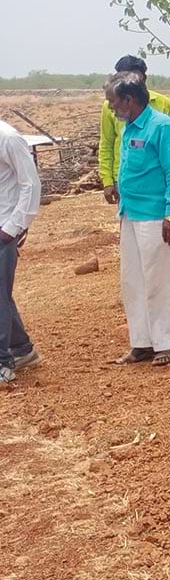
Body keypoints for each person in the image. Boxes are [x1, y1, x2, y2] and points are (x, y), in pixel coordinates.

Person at [98, 56, 170, 299]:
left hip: (157, 196)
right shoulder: (116, 112)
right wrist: (108, 180)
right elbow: (107, 144)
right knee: (137, 264)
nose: (111, 106)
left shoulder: (162, 109)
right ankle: (145, 300)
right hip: (129, 194)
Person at [106, 73, 170, 367]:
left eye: (113, 101)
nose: (110, 107)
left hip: (157, 217)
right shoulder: (128, 127)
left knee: (159, 280)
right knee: (133, 281)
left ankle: (168, 343)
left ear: (129, 100)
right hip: (130, 214)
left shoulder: (162, 127)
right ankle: (142, 342)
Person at [0, 119, 42, 387]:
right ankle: (22, 349)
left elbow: (31, 184)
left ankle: (2, 364)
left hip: (3, 227)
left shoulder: (8, 138)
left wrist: (13, 227)